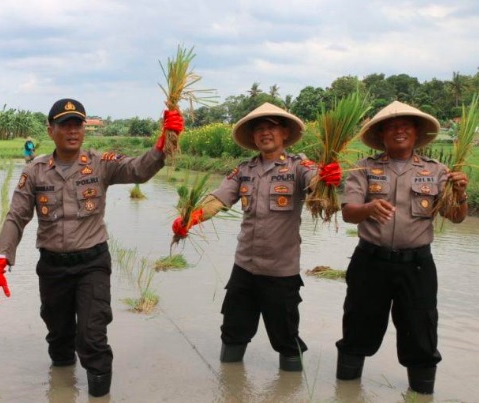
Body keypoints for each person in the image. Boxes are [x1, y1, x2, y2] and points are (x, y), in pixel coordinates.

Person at [0, 98, 184, 397]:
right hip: (52, 267)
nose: (72, 130)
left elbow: (139, 171)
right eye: (65, 124)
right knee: (59, 335)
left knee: (92, 337)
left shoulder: (101, 163)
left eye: (77, 124)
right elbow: (16, 217)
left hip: (92, 263)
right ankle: (61, 390)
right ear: (51, 130)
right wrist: (0, 260)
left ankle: (99, 395)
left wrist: (163, 144)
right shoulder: (35, 171)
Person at [171, 102, 341, 371]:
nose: (265, 133)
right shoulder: (244, 170)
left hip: (281, 272)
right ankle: (229, 385)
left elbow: (315, 183)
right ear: (252, 137)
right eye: (259, 129)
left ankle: (292, 390)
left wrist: (327, 178)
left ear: (284, 133)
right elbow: (218, 199)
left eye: (271, 128)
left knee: (286, 337)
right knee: (232, 331)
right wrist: (190, 218)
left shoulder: (299, 167)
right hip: (245, 269)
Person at [335, 101, 468, 395]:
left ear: (417, 132)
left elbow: (457, 218)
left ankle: (421, 396)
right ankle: (344, 394)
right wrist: (368, 208)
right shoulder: (364, 169)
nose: (399, 130)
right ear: (382, 134)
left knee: (421, 331)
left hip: (417, 266)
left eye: (405, 125)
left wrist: (460, 194)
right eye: (392, 126)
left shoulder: (437, 171)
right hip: (370, 263)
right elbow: (348, 212)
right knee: (358, 326)